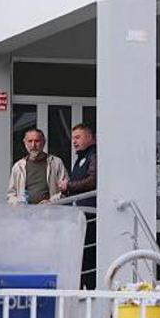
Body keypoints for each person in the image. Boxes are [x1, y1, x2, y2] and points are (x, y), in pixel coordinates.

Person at [59, 123, 97, 289]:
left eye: (78, 137)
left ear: (89, 137)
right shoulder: (81, 157)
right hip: (81, 213)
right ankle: (82, 287)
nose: (74, 141)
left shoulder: (93, 155)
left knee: (88, 254)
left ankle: (89, 288)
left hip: (90, 214)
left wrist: (69, 185)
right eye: (73, 138)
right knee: (80, 254)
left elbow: (92, 181)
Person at [7, 128, 68, 205]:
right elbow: (11, 194)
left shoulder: (56, 163)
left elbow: (65, 190)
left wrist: (51, 201)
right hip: (25, 210)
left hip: (50, 209)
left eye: (37, 141)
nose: (33, 145)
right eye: (30, 141)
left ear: (43, 142)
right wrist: (17, 203)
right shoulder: (18, 166)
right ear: (25, 143)